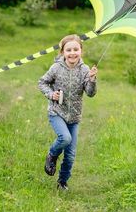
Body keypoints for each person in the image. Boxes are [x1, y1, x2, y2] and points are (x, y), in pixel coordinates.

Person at [38, 34, 98, 191]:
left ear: (81, 51)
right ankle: (52, 155)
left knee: (70, 155)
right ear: (62, 52)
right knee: (64, 138)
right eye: (68, 50)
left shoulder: (85, 70)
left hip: (74, 117)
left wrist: (92, 79)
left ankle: (62, 182)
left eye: (76, 49)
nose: (72, 53)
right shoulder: (56, 68)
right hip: (57, 112)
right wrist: (51, 94)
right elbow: (42, 82)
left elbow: (90, 93)